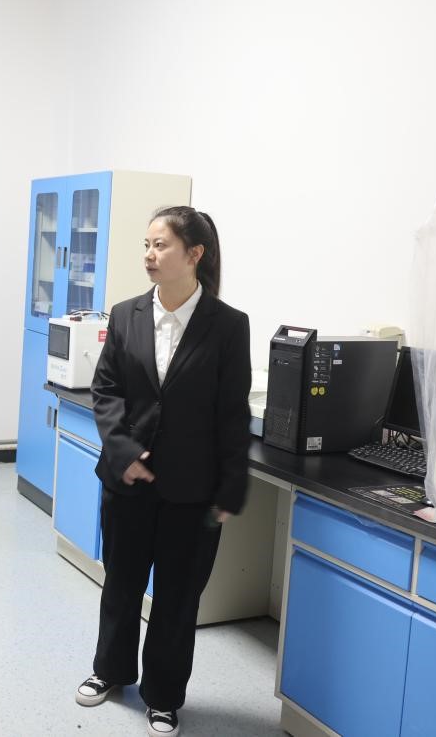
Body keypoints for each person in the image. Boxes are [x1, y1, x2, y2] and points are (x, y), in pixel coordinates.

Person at [74, 206, 251, 736]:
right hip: (127, 481)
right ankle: (110, 671)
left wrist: (230, 488)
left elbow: (232, 413)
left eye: (161, 245)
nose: (149, 255)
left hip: (193, 489)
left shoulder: (228, 325)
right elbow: (106, 390)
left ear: (194, 254)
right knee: (121, 584)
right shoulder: (125, 313)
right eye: (146, 245)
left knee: (177, 598)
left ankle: (164, 696)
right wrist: (122, 452)